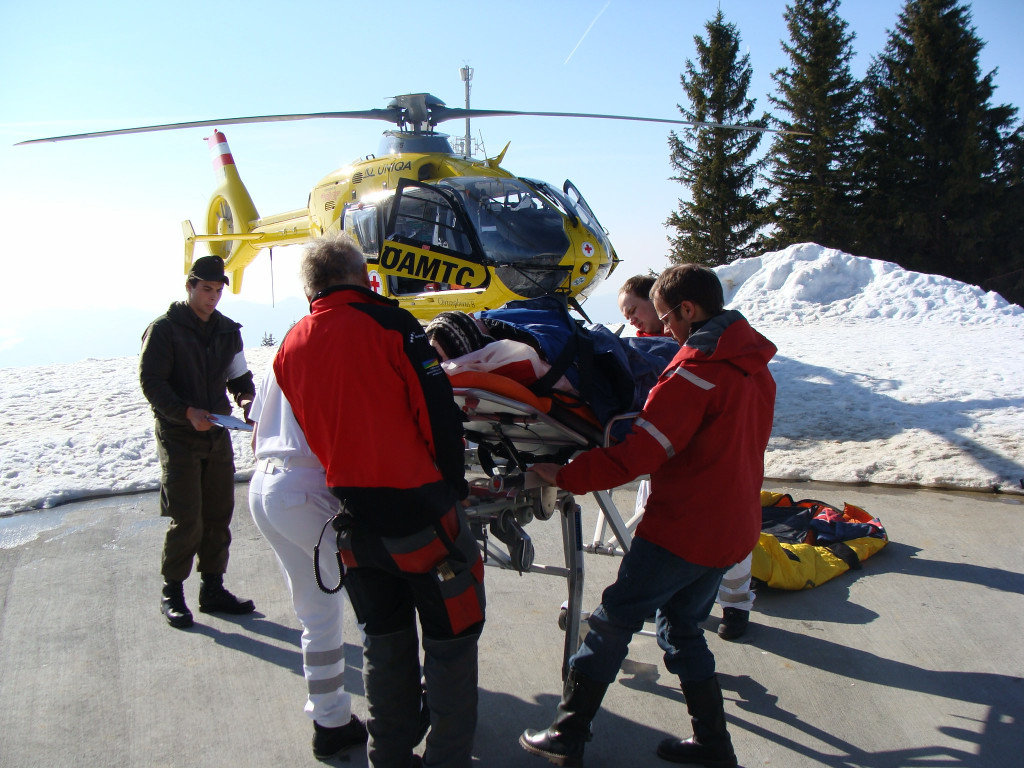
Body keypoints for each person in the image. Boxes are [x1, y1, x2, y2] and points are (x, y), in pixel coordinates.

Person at [521, 264, 776, 768]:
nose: (664, 331)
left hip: (684, 529)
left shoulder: (695, 375)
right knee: (681, 627)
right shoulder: (754, 368)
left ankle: (567, 733)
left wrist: (566, 474)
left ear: (688, 310)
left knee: (612, 620)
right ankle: (713, 744)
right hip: (731, 527)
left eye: (666, 318)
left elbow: (638, 455)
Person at [272, 233, 485, 768]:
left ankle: (387, 755)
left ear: (311, 288)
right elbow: (437, 414)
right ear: (362, 277)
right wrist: (453, 490)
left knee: (384, 643)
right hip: (423, 515)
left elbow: (315, 428)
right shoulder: (392, 325)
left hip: (355, 520)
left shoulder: (290, 345)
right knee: (453, 639)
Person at [619, 274, 758, 641]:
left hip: (712, 461)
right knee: (656, 517)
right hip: (669, 456)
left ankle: (736, 604)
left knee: (720, 528)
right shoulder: (636, 345)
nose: (630, 318)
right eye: (625, 314)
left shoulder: (706, 352)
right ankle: (668, 601)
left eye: (634, 309)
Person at [247, 365, 368, 758]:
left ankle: (330, 722)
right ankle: (398, 721)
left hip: (264, 486)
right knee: (374, 607)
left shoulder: (281, 355)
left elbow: (255, 436)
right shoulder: (329, 352)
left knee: (316, 612)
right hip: (304, 488)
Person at [139, 254, 257, 629]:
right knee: (187, 516)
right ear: (189, 287)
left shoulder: (227, 330)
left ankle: (213, 589)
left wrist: (246, 400)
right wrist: (186, 412)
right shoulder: (164, 330)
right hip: (178, 435)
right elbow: (151, 382)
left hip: (217, 433)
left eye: (218, 290)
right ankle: (172, 592)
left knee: (219, 514)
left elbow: (239, 377)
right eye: (206, 289)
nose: (213, 297)